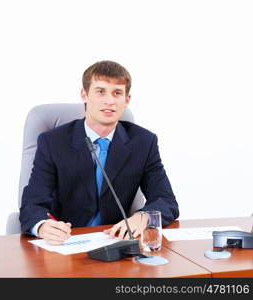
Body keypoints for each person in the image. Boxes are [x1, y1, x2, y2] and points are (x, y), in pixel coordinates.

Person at [19, 60, 179, 245]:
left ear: (126, 100)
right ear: (84, 95)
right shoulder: (52, 142)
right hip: (66, 244)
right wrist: (42, 226)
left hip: (116, 243)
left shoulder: (144, 142)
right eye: (100, 91)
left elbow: (166, 200)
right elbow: (32, 204)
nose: (109, 101)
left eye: (117, 93)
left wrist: (143, 218)